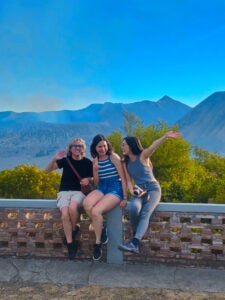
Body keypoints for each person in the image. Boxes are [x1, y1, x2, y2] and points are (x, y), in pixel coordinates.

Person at [118, 131, 182, 254]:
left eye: (123, 144)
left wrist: (165, 137)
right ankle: (137, 233)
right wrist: (133, 192)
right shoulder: (125, 162)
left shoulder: (142, 156)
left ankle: (135, 243)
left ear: (131, 145)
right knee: (134, 208)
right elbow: (128, 181)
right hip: (139, 189)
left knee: (145, 213)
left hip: (153, 188)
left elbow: (153, 146)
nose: (122, 147)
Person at [45, 138, 93, 260]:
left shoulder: (87, 162)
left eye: (80, 146)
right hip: (64, 192)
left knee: (72, 207)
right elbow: (47, 170)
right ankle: (71, 244)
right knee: (65, 214)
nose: (78, 148)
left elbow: (94, 178)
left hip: (79, 192)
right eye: (75, 146)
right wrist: (55, 158)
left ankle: (73, 228)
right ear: (70, 148)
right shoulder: (66, 161)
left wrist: (89, 179)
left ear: (83, 149)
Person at [83, 134, 127, 261]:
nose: (102, 148)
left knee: (96, 211)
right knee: (87, 204)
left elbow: (123, 179)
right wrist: (95, 171)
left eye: (104, 146)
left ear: (107, 146)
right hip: (102, 187)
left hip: (115, 188)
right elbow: (96, 183)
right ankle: (102, 232)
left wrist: (124, 197)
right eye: (99, 146)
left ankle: (98, 244)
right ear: (95, 148)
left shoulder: (113, 157)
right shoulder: (95, 160)